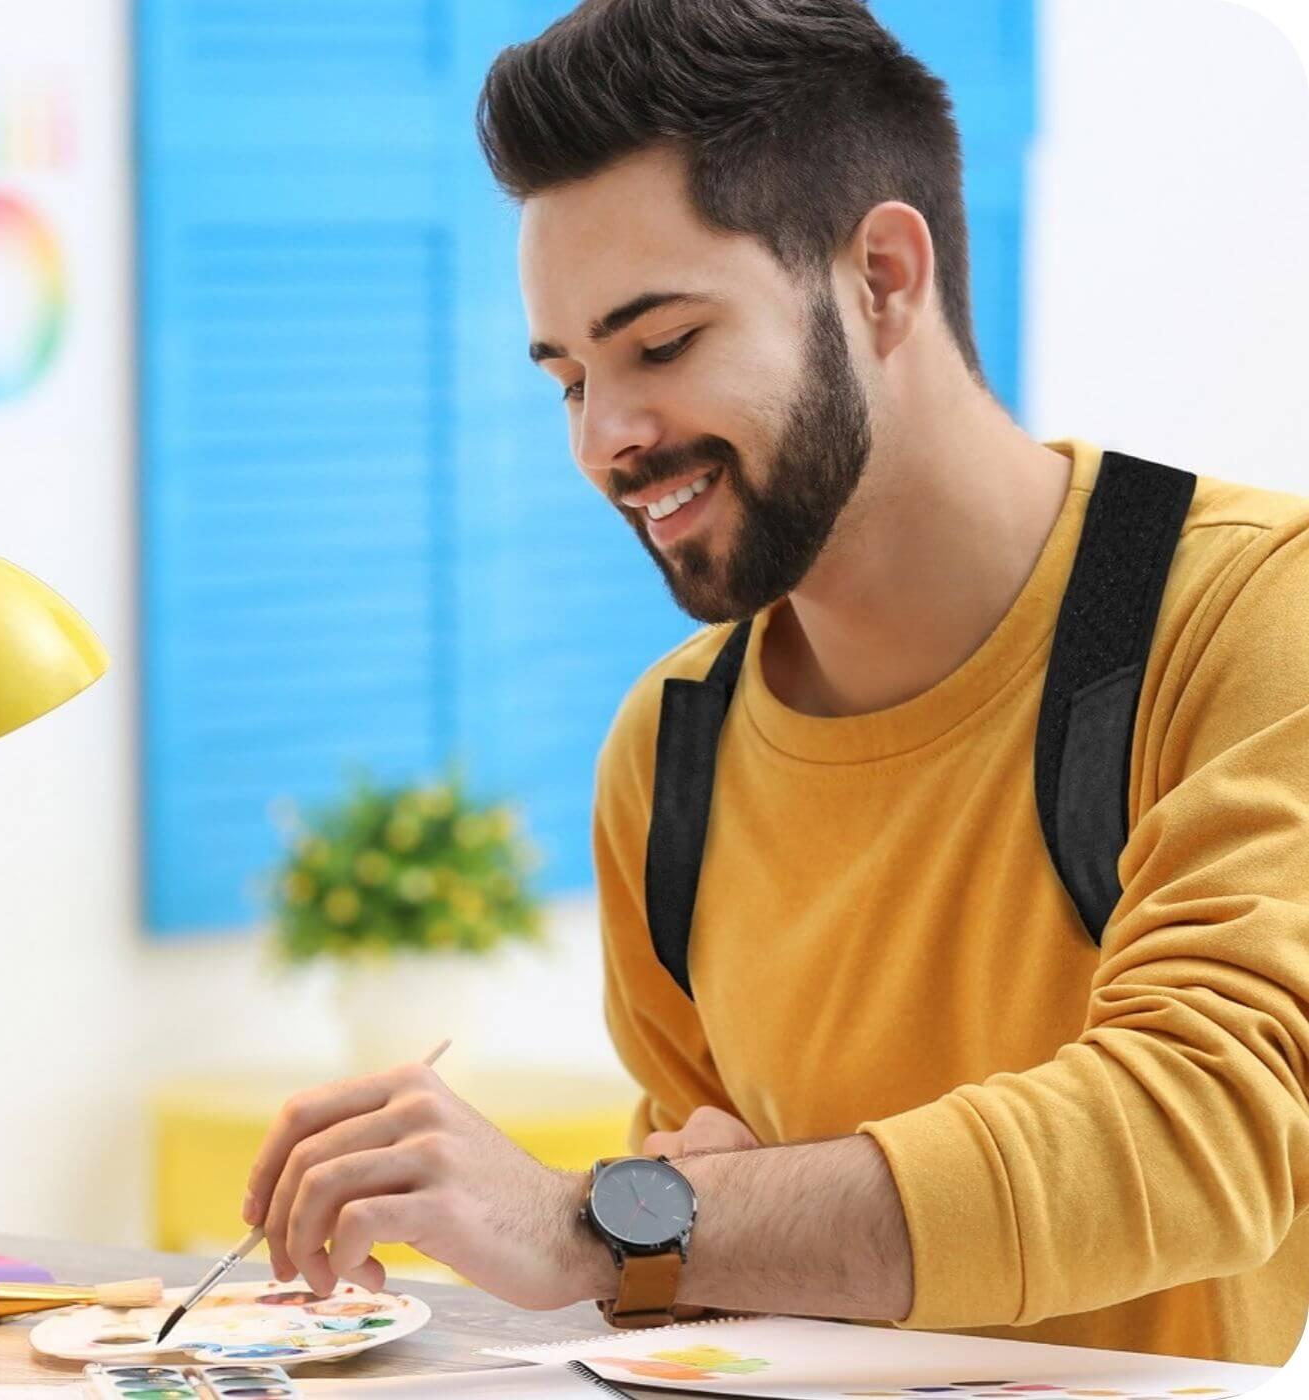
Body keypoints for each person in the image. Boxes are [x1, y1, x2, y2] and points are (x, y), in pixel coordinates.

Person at [240, 0, 1309, 1367]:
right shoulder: (670, 750)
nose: (604, 442)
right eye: (569, 379)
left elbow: (1207, 1126)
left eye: (662, 344)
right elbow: (698, 1285)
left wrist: (589, 1221)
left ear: (881, 277)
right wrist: (681, 1236)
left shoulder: (1243, 614)